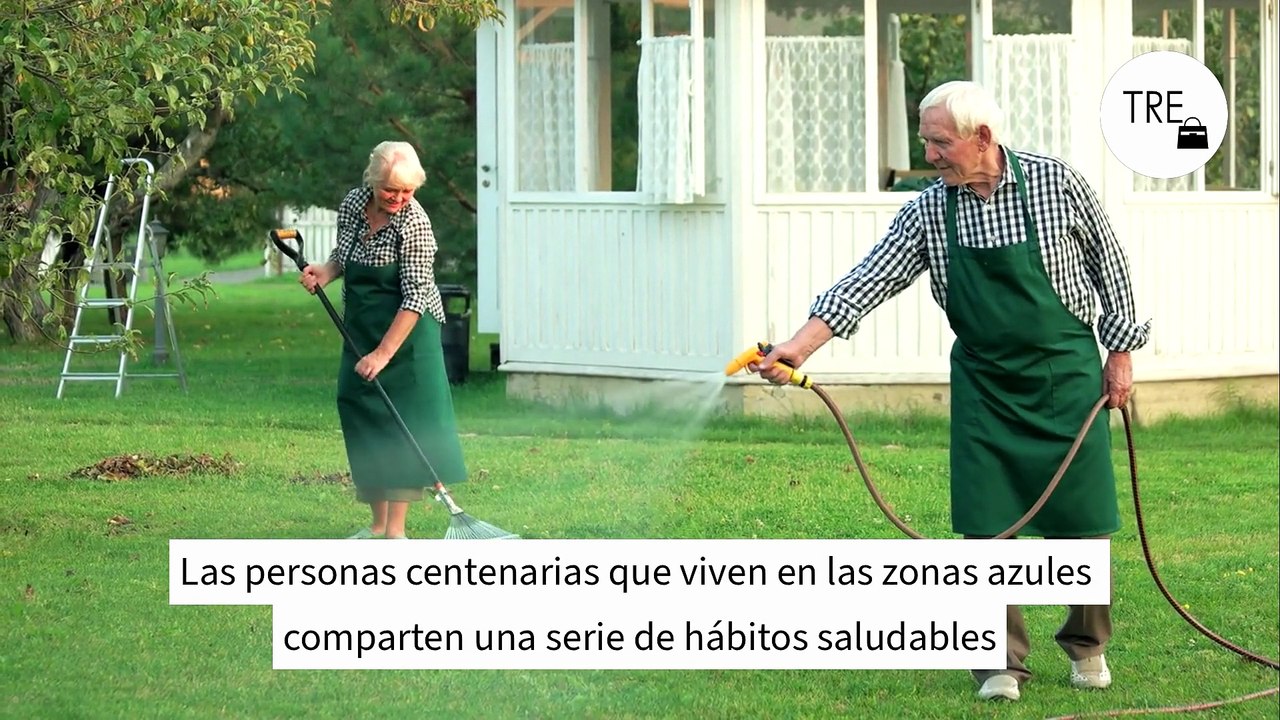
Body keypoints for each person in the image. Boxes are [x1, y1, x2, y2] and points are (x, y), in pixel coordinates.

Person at [753, 81, 1149, 702]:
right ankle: (998, 664)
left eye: (940, 142)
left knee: (1084, 522)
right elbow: (868, 279)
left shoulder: (1056, 184)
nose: (930, 155)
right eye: (926, 141)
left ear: (982, 138)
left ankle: (1087, 647)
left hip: (1066, 377)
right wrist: (798, 348)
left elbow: (1111, 266)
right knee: (986, 526)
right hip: (986, 386)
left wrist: (1120, 353)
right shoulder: (928, 210)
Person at [298, 141, 467, 540]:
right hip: (361, 327)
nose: (399, 198)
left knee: (400, 425)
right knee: (360, 413)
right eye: (391, 189)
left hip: (407, 339)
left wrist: (383, 353)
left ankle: (395, 534)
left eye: (408, 191)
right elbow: (346, 253)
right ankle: (375, 526)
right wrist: (326, 270)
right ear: (373, 181)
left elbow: (414, 298)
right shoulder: (354, 204)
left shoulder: (415, 225)